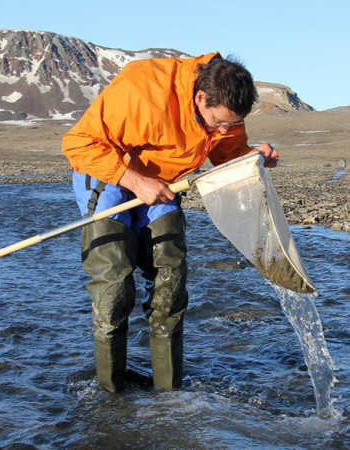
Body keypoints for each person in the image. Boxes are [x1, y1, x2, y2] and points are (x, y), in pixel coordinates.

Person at [61, 52, 278, 393]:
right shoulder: (143, 89)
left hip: (163, 185)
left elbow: (225, 154)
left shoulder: (227, 109)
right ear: (201, 98)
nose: (224, 129)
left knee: (170, 286)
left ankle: (169, 397)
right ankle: (110, 397)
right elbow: (78, 144)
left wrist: (252, 157)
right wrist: (134, 180)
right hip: (107, 173)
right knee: (115, 287)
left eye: (231, 124)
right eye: (218, 123)